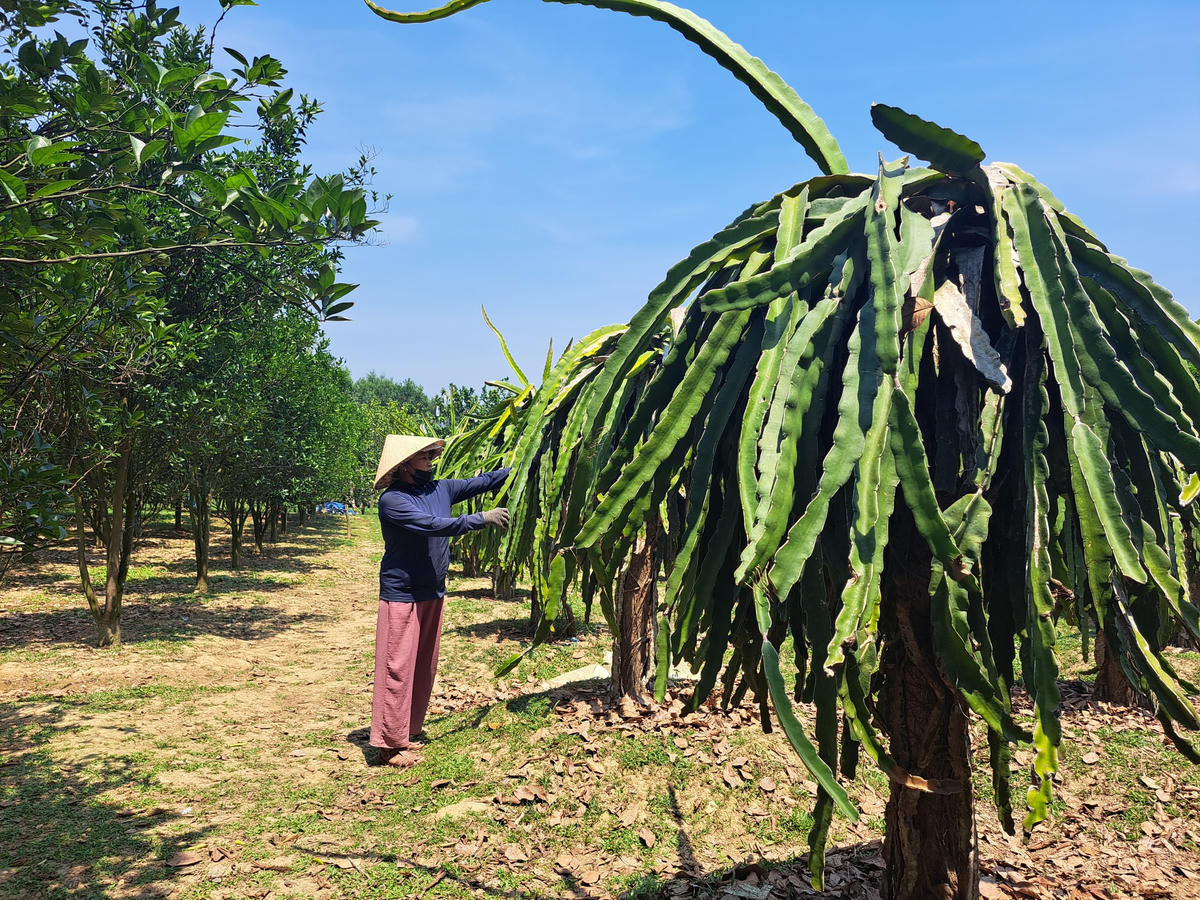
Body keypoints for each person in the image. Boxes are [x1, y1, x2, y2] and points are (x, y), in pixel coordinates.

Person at [369, 434, 511, 767]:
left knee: (423, 665)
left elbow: (482, 482)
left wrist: (525, 465)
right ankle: (389, 746)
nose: (430, 463)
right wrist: (480, 519)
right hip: (402, 594)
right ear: (405, 465)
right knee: (397, 668)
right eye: (424, 457)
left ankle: (407, 731)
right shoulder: (393, 500)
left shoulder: (441, 489)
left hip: (433, 590)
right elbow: (432, 525)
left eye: (432, 456)